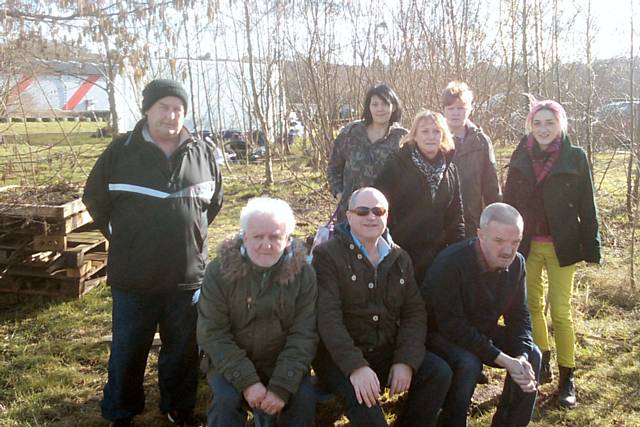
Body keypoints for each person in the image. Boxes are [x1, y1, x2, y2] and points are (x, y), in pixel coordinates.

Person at [82, 78, 223, 427]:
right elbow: (94, 199)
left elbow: (214, 203)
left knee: (182, 351)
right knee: (128, 350)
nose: (171, 115)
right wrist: (121, 236)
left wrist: (190, 237)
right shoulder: (121, 151)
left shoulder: (202, 153)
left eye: (178, 108)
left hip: (186, 276)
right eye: (164, 106)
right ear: (147, 109)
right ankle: (121, 411)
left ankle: (178, 408)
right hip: (134, 277)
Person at [312, 187, 452, 427]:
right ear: (348, 216)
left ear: (387, 215)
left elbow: (414, 312)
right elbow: (328, 319)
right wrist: (356, 367)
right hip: (340, 359)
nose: (371, 217)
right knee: (371, 415)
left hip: (384, 350)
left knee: (438, 372)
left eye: (378, 211)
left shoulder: (399, 258)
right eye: (362, 211)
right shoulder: (327, 256)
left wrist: (405, 360)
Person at [504, 100, 601, 408]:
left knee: (560, 312)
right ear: (530, 125)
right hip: (528, 244)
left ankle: (567, 376)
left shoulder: (575, 157)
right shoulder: (521, 154)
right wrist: (504, 241)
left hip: (563, 245)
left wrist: (592, 244)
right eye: (538, 123)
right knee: (532, 307)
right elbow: (508, 202)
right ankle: (541, 358)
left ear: (560, 124)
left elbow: (588, 204)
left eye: (550, 122)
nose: (543, 129)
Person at [197, 197, 318, 427]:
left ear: (288, 240)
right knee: (225, 402)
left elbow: (305, 334)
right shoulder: (218, 271)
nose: (266, 244)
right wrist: (248, 382)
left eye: (275, 237)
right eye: (258, 237)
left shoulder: (304, 274)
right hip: (230, 361)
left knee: (303, 399)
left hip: (282, 360)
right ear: (244, 237)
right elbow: (213, 334)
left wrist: (282, 386)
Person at [422, 203, 541, 427]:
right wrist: (504, 359)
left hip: (479, 329)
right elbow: (453, 326)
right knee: (469, 362)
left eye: (515, 242)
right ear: (480, 235)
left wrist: (521, 358)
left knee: (533, 354)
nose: (508, 250)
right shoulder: (450, 263)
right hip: (436, 333)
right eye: (499, 241)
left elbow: (520, 316)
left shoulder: (517, 264)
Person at [375, 110, 465, 286]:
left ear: (444, 135)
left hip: (438, 257)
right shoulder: (396, 164)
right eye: (425, 131)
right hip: (401, 253)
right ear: (414, 135)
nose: (431, 136)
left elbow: (456, 216)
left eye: (436, 131)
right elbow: (378, 207)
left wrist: (458, 252)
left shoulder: (451, 169)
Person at [327, 84, 407, 221]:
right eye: (375, 104)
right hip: (350, 212)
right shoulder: (351, 133)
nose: (380, 109)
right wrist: (340, 194)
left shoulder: (402, 138)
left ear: (393, 107)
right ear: (368, 107)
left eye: (385, 104)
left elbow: (409, 178)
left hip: (385, 215)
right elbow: (334, 167)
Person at [442, 81, 501, 237]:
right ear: (444, 111)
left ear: (469, 109)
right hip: (442, 223)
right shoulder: (436, 140)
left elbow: (491, 185)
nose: (455, 113)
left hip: (473, 221)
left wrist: (496, 218)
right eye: (451, 108)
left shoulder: (481, 141)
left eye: (460, 108)